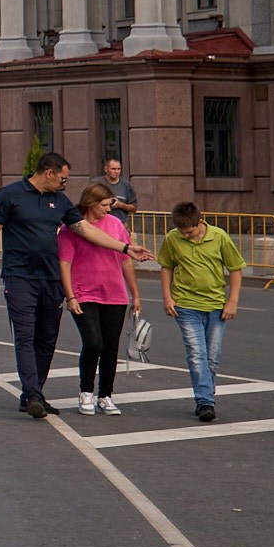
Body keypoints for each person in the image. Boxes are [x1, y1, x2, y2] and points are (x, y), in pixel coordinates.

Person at [0, 152, 127, 419]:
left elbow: (84, 229)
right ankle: (33, 393)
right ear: (49, 173)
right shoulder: (10, 194)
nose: (65, 183)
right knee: (25, 336)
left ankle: (33, 393)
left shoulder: (59, 201)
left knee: (47, 339)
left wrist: (125, 247)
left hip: (52, 279)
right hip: (20, 276)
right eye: (63, 178)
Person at [158, 202, 245, 423]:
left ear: (200, 221)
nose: (186, 236)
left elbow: (235, 268)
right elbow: (167, 266)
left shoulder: (219, 237)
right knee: (196, 354)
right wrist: (167, 297)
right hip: (186, 305)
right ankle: (205, 401)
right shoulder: (172, 238)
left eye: (190, 232)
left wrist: (232, 301)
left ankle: (205, 396)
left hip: (216, 306)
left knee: (212, 357)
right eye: (182, 233)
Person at [59, 183, 141, 415]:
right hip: (84, 293)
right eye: (105, 205)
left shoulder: (115, 224)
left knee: (110, 348)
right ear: (91, 203)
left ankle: (105, 395)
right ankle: (86, 392)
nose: (109, 209)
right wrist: (70, 296)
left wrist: (135, 294)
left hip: (114, 294)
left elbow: (126, 261)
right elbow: (64, 264)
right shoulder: (71, 228)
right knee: (93, 342)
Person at [101, 158, 139, 230]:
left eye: (119, 169)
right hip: (101, 225)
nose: (116, 171)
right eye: (113, 169)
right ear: (106, 169)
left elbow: (134, 208)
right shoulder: (96, 183)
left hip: (121, 225)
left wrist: (120, 205)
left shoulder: (126, 184)